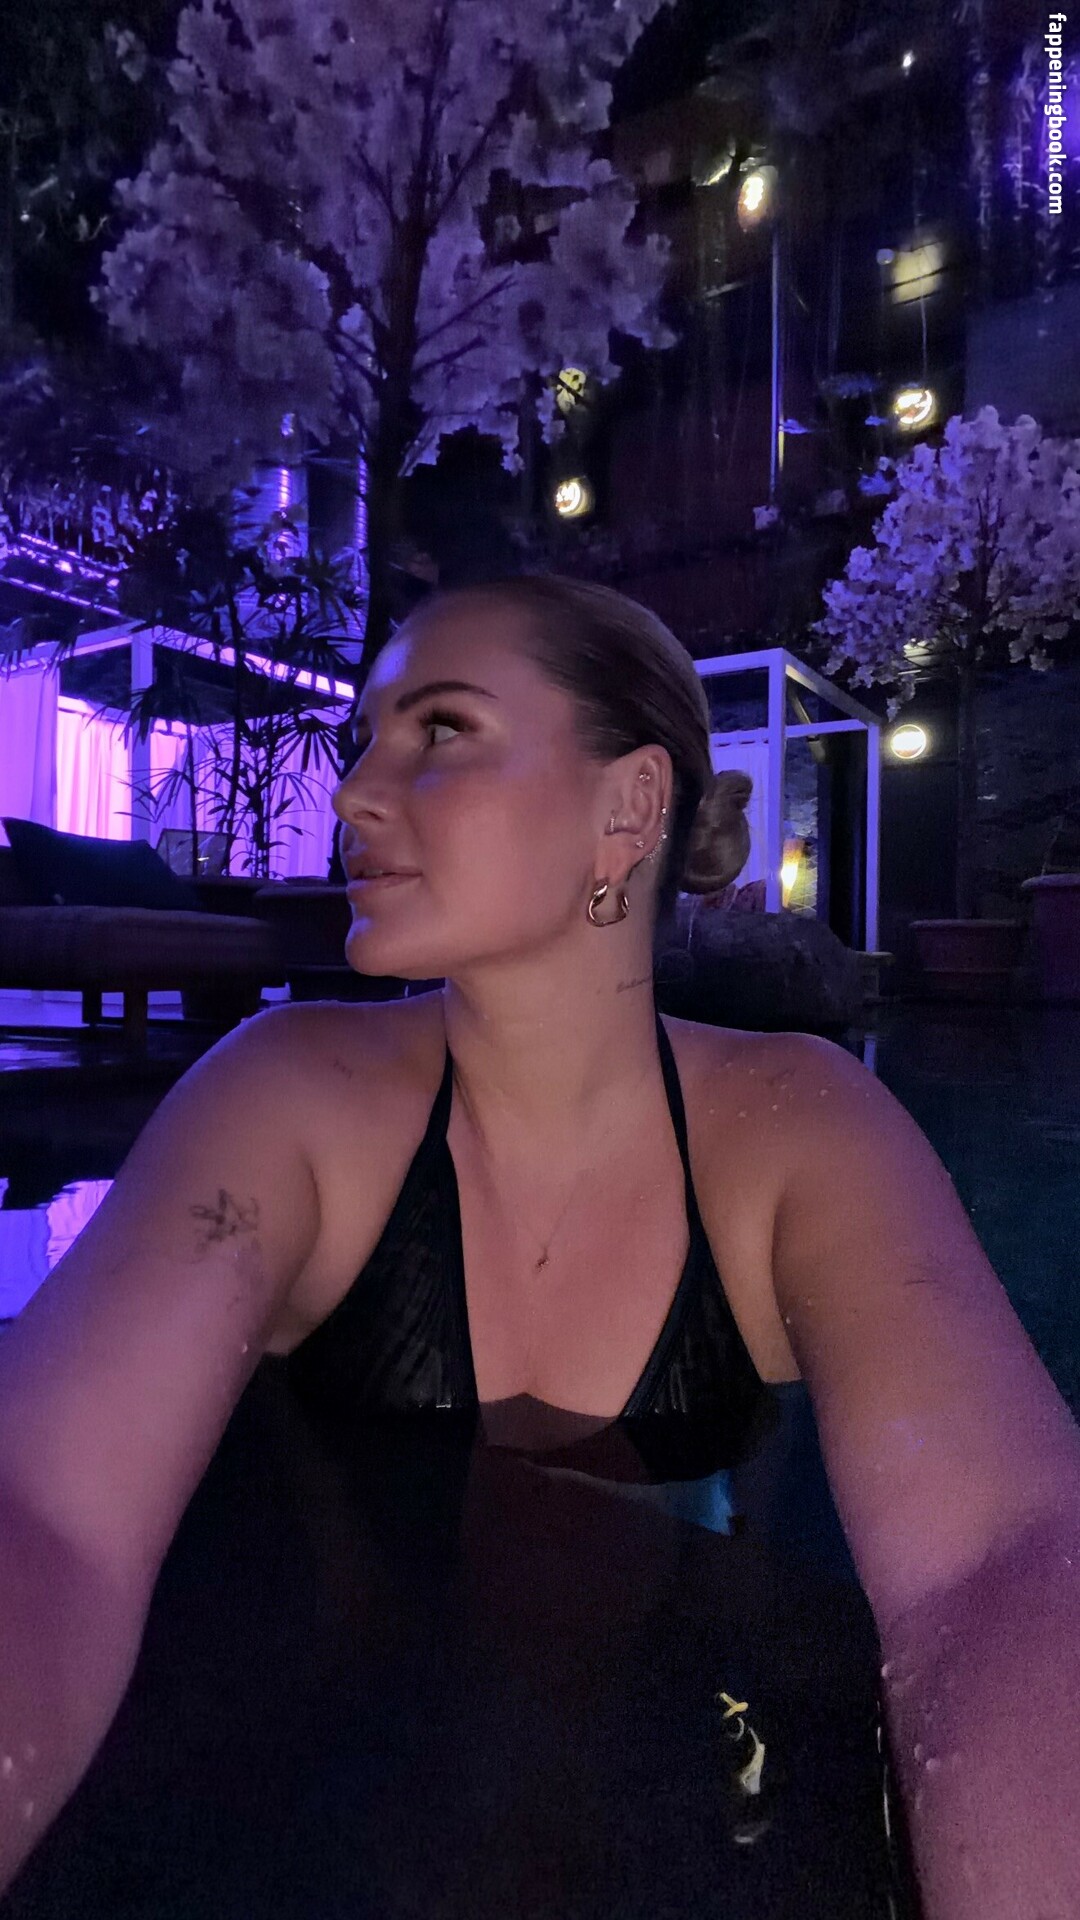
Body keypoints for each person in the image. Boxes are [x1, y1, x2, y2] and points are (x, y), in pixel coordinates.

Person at [0, 574, 1078, 1919]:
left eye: (443, 729)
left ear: (627, 807)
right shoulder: (284, 1102)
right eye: (367, 739)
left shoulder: (796, 1136)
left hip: (676, 1788)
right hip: (321, 1786)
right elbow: (49, 1508)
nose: (353, 793)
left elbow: (1001, 1558)